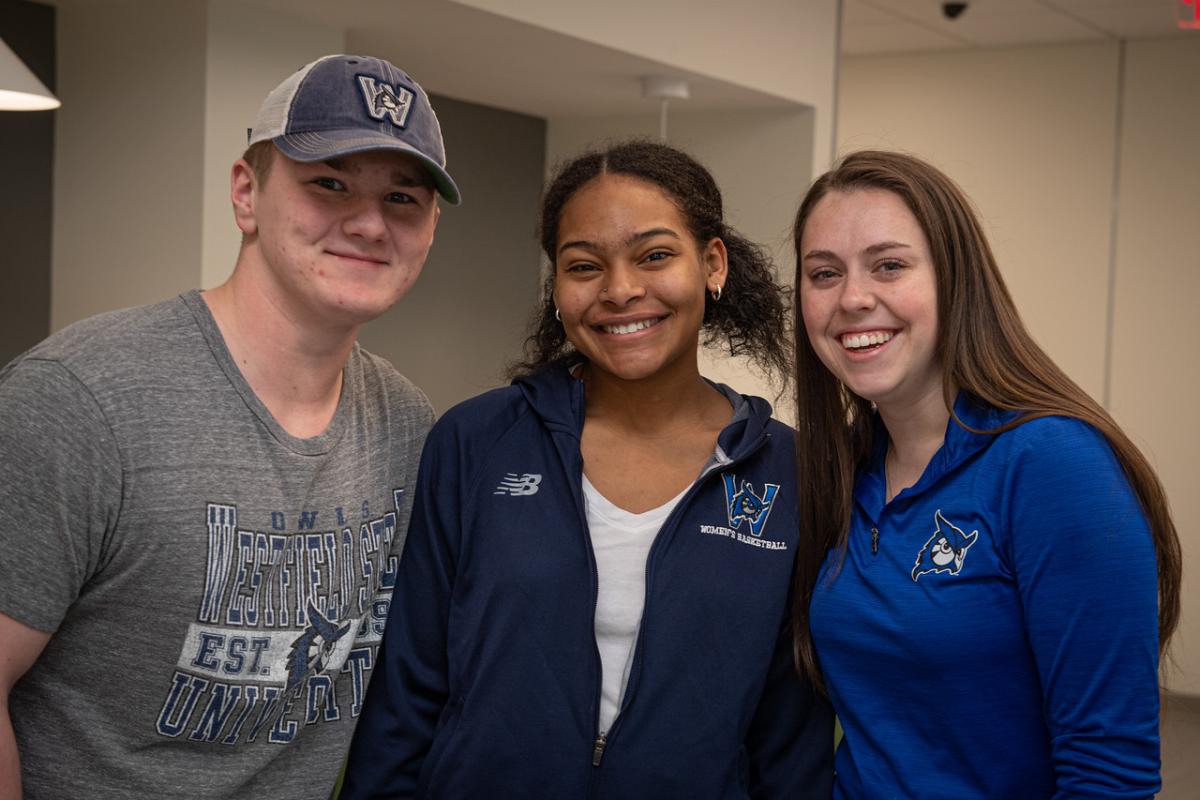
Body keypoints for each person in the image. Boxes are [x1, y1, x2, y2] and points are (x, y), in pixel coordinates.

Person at [0, 54, 460, 799]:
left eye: (402, 198)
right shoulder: (81, 399)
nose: (370, 223)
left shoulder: (408, 426)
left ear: (430, 229)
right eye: (329, 183)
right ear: (246, 194)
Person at [340, 140, 834, 798]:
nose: (621, 290)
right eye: (584, 265)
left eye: (654, 255)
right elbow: (406, 694)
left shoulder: (790, 474)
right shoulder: (478, 441)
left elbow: (790, 734)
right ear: (558, 288)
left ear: (712, 264)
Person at [790, 150, 1182, 798]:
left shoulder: (1053, 465)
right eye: (823, 273)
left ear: (955, 279)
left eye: (889, 265)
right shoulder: (841, 470)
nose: (853, 299)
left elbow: (1109, 777)